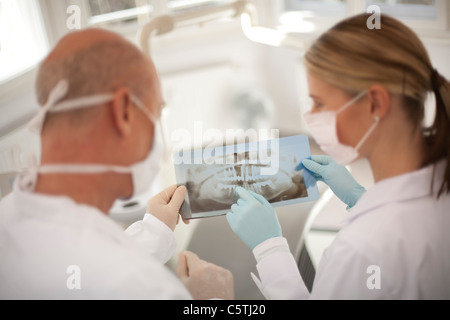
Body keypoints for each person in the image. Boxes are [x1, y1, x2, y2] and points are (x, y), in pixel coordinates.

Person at [227, 13, 450, 299]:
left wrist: (269, 247)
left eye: (319, 102)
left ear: (375, 103)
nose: (311, 116)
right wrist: (360, 200)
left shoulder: (361, 249)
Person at [0, 29, 234, 300]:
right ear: (123, 112)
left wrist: (154, 230)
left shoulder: (9, 213)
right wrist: (212, 301)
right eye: (155, 113)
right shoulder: (147, 288)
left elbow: (84, 264)